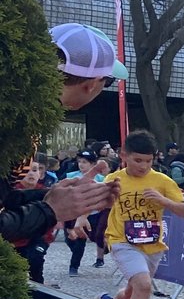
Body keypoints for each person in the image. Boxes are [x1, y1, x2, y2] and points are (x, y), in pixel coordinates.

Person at [1, 23, 123, 242]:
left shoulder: (22, 113)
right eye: (108, 81)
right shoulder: (17, 123)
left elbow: (4, 199)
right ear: (93, 84)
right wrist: (50, 209)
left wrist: (54, 197)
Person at [98, 130, 184, 299]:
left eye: (148, 161)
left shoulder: (162, 181)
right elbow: (99, 203)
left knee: (133, 290)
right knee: (144, 284)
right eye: (138, 160)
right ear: (124, 155)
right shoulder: (114, 179)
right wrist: (79, 220)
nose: (143, 166)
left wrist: (163, 200)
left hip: (151, 244)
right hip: (121, 240)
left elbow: (183, 211)